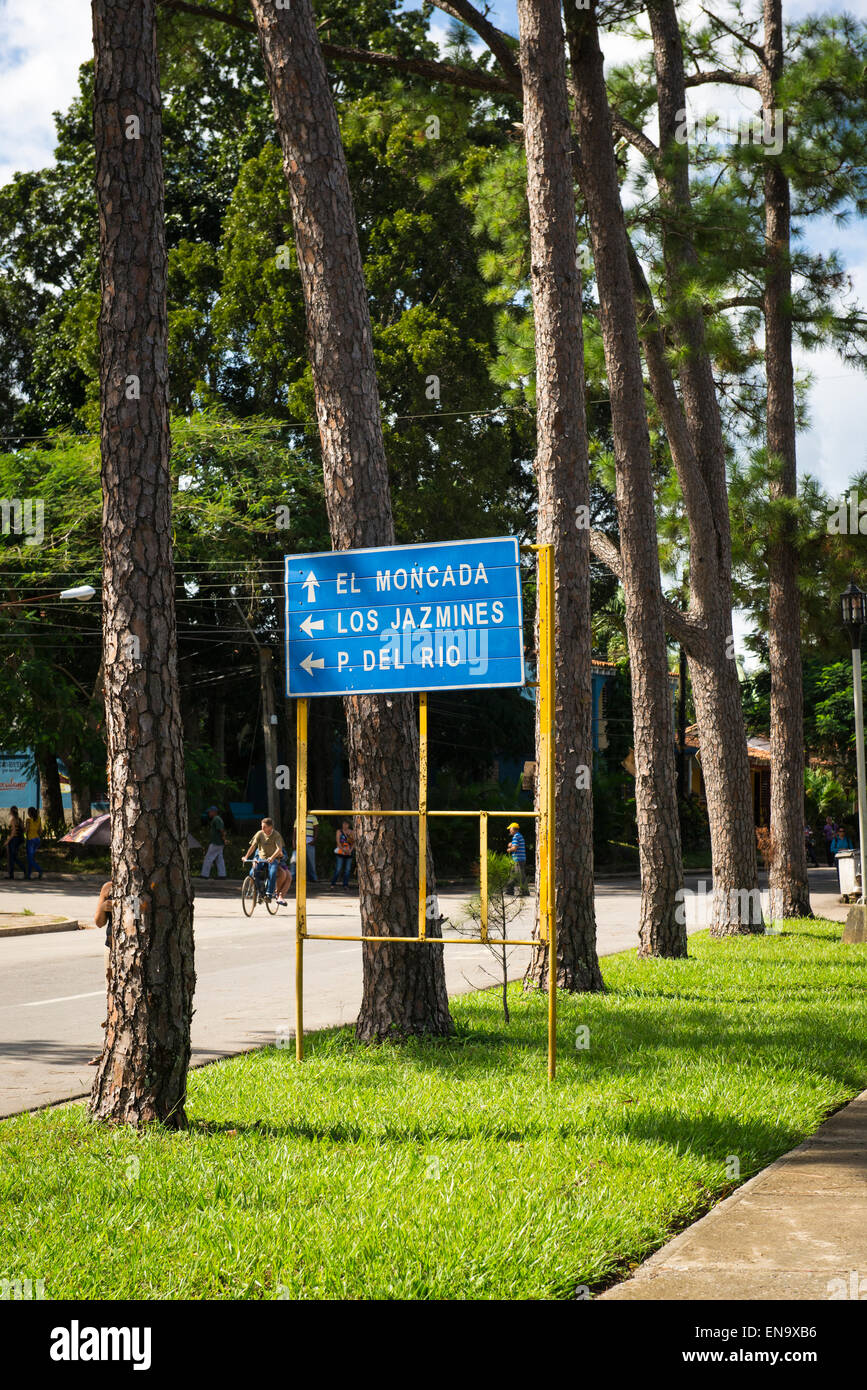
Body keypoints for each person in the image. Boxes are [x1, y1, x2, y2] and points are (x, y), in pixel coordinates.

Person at [90, 881, 113, 1065]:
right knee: (111, 998)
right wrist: (104, 906)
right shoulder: (108, 887)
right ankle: (109, 1047)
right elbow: (98, 922)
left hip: (135, 950)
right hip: (111, 948)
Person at [243, 816, 285, 901]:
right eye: (262, 826)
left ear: (270, 827)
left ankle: (269, 894)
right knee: (253, 872)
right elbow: (253, 846)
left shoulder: (276, 835)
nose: (262, 828)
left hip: (273, 859)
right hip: (261, 858)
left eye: (264, 826)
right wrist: (246, 857)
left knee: (272, 873)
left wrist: (272, 857)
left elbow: (279, 849)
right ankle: (260, 892)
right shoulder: (259, 833)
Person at [200, 805, 227, 879]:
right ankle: (222, 875)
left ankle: (204, 875)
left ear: (214, 812)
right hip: (219, 842)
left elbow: (221, 830)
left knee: (208, 858)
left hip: (216, 842)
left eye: (210, 812)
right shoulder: (216, 819)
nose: (209, 813)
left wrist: (224, 839)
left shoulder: (216, 819)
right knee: (219, 859)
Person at [330, 819, 355, 889]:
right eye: (344, 824)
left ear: (349, 824)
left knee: (347, 869)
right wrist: (343, 850)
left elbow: (353, 842)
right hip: (341, 852)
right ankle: (333, 884)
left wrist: (350, 850)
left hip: (349, 852)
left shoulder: (351, 832)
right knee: (338, 868)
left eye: (346, 824)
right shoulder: (339, 831)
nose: (345, 825)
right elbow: (338, 842)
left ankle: (345, 885)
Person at [506, 821, 527, 896]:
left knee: (520, 876)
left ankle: (524, 892)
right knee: (512, 875)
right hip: (518, 859)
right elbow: (516, 845)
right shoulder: (518, 836)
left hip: (518, 859)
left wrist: (509, 849)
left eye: (510, 829)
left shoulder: (516, 836)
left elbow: (515, 848)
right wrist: (511, 844)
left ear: (513, 829)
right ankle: (509, 890)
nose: (509, 831)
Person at [23, 807, 43, 880]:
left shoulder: (28, 820)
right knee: (30, 858)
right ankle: (28, 875)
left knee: (30, 859)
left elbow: (26, 830)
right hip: (37, 840)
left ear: (29, 813)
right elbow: (40, 830)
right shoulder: (39, 819)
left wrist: (23, 828)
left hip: (30, 840)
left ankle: (40, 870)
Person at [5, 806, 24, 879]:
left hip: (13, 840)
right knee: (14, 857)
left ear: (11, 812)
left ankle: (12, 874)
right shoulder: (19, 820)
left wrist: (7, 841)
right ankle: (22, 869)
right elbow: (23, 829)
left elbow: (13, 833)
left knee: (11, 858)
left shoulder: (13, 820)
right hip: (19, 840)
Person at [306, 812, 319, 882]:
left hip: (310, 842)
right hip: (300, 843)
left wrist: (314, 840)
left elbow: (316, 829)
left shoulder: (313, 817)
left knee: (311, 861)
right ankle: (299, 878)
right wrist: (294, 842)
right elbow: (295, 830)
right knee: (298, 862)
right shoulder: (298, 816)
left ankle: (313, 878)